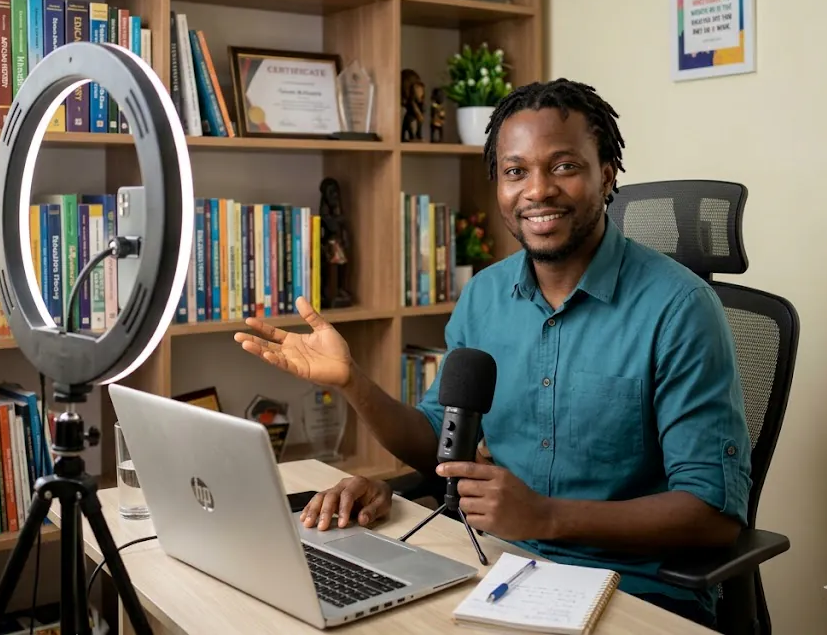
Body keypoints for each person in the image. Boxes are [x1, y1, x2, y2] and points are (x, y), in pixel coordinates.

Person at [234, 78, 751, 631]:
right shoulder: (484, 295)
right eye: (515, 171)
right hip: (497, 572)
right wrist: (352, 382)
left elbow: (714, 516)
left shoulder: (680, 307)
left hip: (636, 593)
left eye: (563, 166)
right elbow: (440, 442)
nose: (537, 190)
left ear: (605, 177)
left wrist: (546, 517)